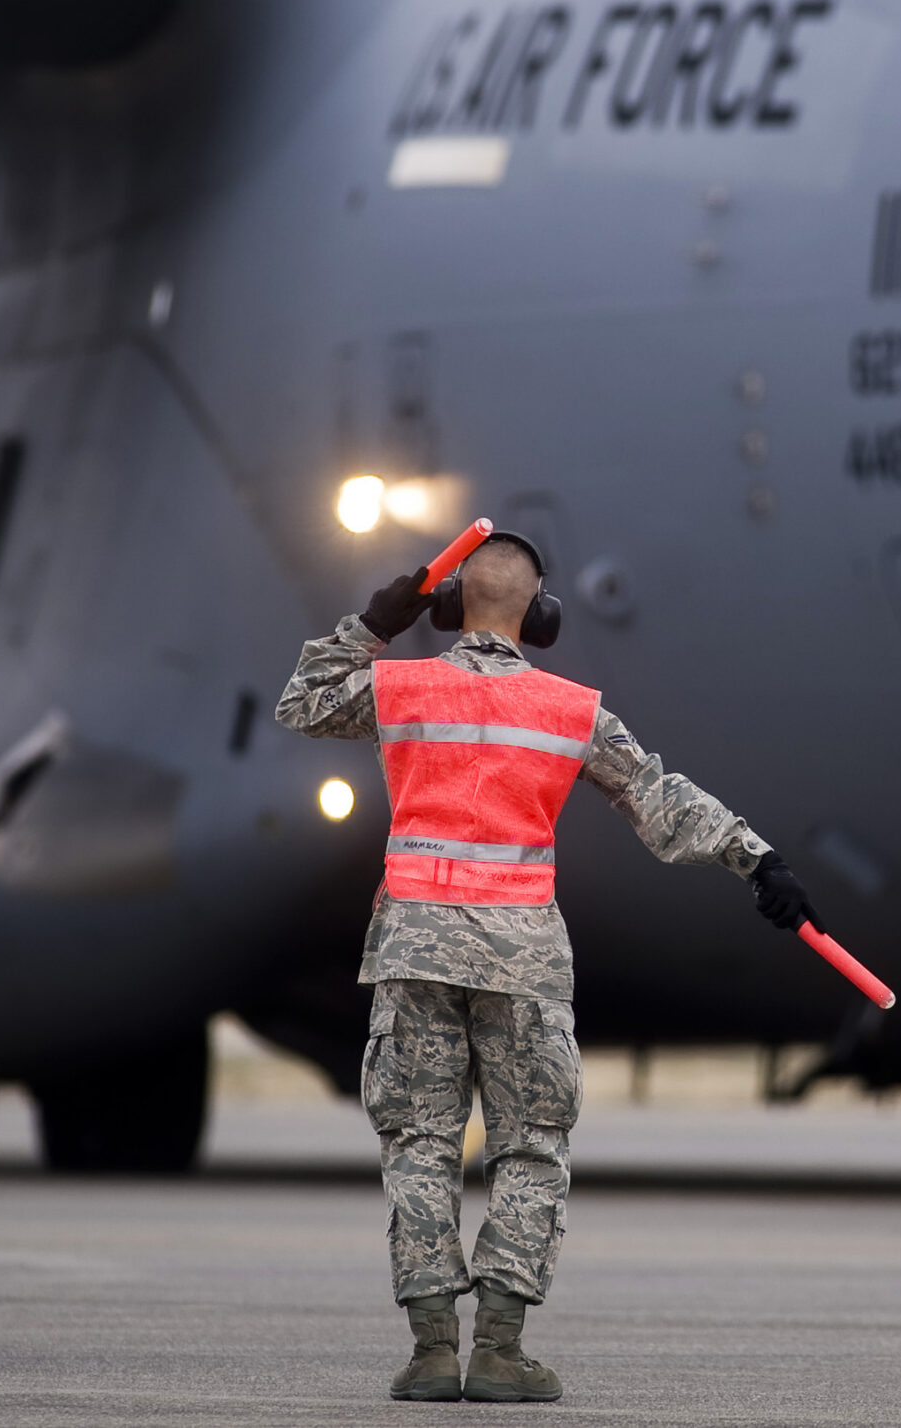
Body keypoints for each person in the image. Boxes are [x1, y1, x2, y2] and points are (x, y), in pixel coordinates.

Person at [275, 530, 820, 1404]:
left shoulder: (401, 686)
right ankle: (499, 1349)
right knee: (529, 1149)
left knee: (419, 1146)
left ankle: (429, 1353)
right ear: (543, 615)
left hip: (415, 946)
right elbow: (660, 797)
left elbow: (302, 702)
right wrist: (758, 861)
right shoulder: (570, 711)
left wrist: (376, 625)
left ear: (446, 607)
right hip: (523, 955)